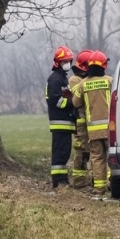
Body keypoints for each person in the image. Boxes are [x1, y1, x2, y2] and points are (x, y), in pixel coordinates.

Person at [72, 51, 113, 199]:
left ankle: (99, 190)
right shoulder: (110, 81)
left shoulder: (83, 84)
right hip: (111, 129)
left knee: (97, 158)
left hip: (93, 131)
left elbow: (75, 103)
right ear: (104, 65)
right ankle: (113, 184)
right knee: (113, 156)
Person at [46, 45, 77, 189]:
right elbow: (55, 100)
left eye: (69, 61)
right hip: (60, 123)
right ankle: (58, 181)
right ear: (58, 62)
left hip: (65, 123)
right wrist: (71, 102)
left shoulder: (62, 78)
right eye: (65, 61)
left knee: (64, 153)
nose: (68, 64)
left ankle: (63, 179)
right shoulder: (55, 79)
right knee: (59, 154)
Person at [68, 49, 92, 188]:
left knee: (94, 151)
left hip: (90, 121)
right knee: (81, 152)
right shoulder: (74, 80)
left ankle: (94, 179)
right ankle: (79, 181)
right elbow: (80, 99)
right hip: (81, 123)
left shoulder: (83, 79)